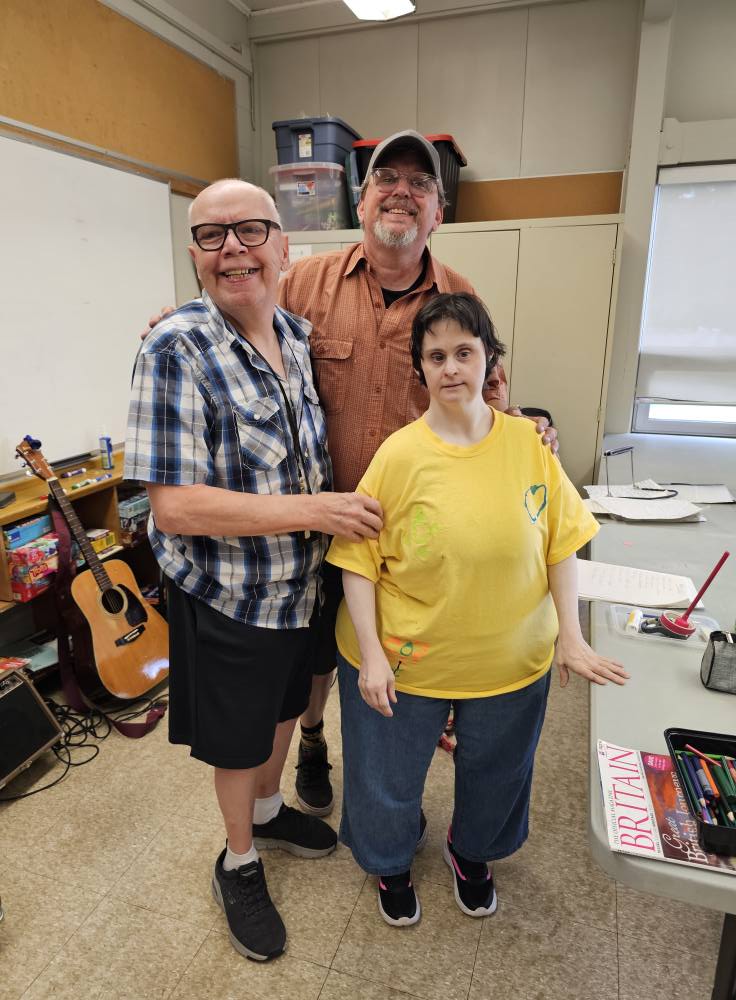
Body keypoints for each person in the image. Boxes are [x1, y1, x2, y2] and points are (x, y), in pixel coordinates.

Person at [125, 179, 382, 962]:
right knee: (237, 742)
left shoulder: (297, 335)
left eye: (249, 231)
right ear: (196, 256)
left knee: (283, 711)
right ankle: (237, 857)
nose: (233, 247)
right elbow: (175, 508)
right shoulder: (174, 348)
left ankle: (270, 811)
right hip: (230, 593)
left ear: (283, 247)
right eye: (211, 236)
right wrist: (319, 511)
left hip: (299, 584)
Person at [276, 130, 559, 817]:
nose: (401, 191)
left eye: (421, 184)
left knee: (401, 662)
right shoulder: (302, 282)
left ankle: (395, 782)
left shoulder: (461, 296)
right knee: (315, 656)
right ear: (363, 200)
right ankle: (314, 740)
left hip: (410, 538)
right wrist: (178, 320)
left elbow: (484, 405)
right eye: (386, 179)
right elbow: (233, 334)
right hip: (314, 516)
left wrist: (530, 427)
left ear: (438, 214)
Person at [325, 292, 629, 927]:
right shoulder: (399, 454)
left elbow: (562, 542)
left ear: (490, 360)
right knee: (386, 774)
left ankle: (473, 854)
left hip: (511, 654)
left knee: (499, 771)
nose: (451, 368)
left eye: (464, 352)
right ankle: (390, 862)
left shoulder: (527, 443)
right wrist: (372, 659)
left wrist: (571, 639)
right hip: (405, 657)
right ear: (421, 369)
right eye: (435, 356)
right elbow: (356, 560)